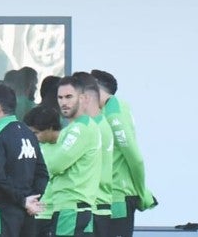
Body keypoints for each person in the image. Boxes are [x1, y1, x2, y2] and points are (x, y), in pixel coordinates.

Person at [89, 69, 155, 237]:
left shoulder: (113, 111)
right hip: (103, 198)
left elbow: (135, 158)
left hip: (118, 197)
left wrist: (142, 193)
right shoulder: (102, 112)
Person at [0, 83, 47, 237]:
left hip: (2, 211)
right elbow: (42, 173)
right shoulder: (29, 133)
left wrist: (24, 200)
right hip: (27, 213)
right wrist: (31, 200)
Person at [40, 77, 100, 237]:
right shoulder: (73, 128)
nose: (63, 102)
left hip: (72, 208)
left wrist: (45, 150)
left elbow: (54, 165)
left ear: (82, 98)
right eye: (60, 98)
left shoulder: (81, 129)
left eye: (69, 97)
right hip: (70, 208)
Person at [71, 72, 113, 237]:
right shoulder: (101, 123)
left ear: (84, 97)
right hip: (98, 206)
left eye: (71, 97)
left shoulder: (89, 128)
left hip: (92, 208)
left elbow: (58, 164)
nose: (66, 104)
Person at [23, 105, 63, 237]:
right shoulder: (35, 147)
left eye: (35, 133)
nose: (32, 137)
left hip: (57, 212)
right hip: (34, 212)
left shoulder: (67, 144)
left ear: (50, 128)